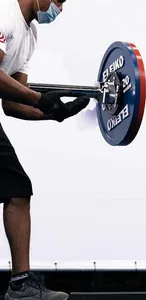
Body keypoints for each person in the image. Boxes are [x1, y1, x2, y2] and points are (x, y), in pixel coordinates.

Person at [0, 0, 90, 299]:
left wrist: (54, 113)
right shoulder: (4, 14)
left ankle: (20, 285)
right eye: (59, 0)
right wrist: (40, 99)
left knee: (17, 189)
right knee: (17, 190)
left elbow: (12, 104)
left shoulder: (30, 36)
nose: (59, 8)